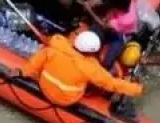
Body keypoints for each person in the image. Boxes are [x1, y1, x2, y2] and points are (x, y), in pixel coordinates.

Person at [15, 31, 143, 106]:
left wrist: (22, 71)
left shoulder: (56, 44)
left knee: (46, 54)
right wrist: (137, 89)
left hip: (44, 86)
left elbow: (34, 62)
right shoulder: (91, 68)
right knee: (98, 82)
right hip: (67, 98)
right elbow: (112, 84)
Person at [81, 0, 138, 70]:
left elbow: (104, 26)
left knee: (108, 61)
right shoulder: (127, 0)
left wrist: (90, 10)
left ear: (117, 7)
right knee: (92, 35)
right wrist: (106, 17)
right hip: (112, 25)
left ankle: (104, 68)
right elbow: (110, 13)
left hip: (122, 34)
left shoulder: (126, 20)